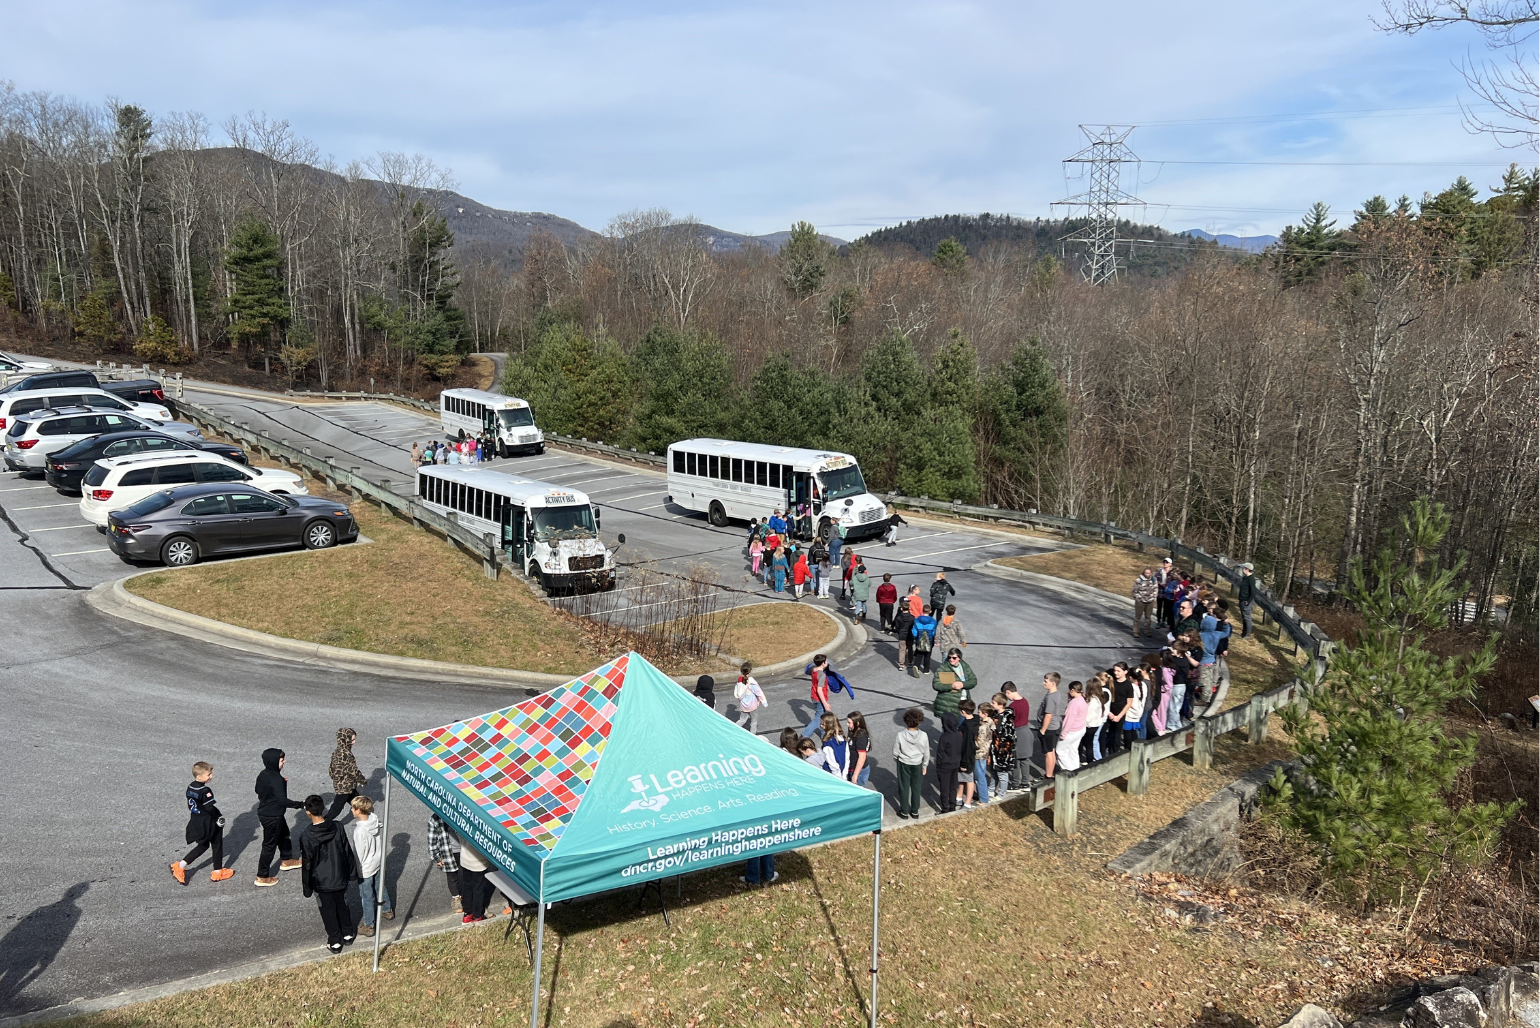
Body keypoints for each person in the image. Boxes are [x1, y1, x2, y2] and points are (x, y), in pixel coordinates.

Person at [299, 794, 361, 953]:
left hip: (321, 881)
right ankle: (347, 932)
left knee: (327, 910)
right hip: (339, 874)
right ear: (323, 808)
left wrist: (307, 887)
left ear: (308, 812)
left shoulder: (307, 836)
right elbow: (347, 850)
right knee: (342, 904)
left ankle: (335, 940)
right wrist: (352, 872)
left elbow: (307, 864)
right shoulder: (338, 826)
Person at [172, 761, 234, 885]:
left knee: (203, 845)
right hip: (209, 822)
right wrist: (219, 818)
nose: (211, 776)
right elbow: (210, 808)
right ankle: (217, 872)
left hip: (196, 820)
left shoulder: (191, 787)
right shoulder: (205, 790)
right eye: (208, 775)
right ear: (199, 777)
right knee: (217, 844)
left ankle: (180, 865)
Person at [254, 748, 305, 886]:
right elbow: (282, 801)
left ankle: (287, 860)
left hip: (267, 812)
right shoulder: (277, 779)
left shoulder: (263, 774)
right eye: (282, 760)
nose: (284, 762)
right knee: (269, 845)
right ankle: (262, 876)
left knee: (284, 835)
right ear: (274, 762)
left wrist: (281, 784)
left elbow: (257, 790)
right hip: (273, 815)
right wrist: (302, 804)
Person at [349, 795, 393, 937]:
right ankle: (387, 910)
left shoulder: (359, 831)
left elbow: (359, 854)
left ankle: (369, 925)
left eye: (353, 808)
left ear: (359, 810)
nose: (351, 810)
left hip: (366, 868)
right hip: (377, 861)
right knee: (381, 887)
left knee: (366, 896)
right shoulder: (374, 819)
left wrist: (356, 870)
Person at [892, 707, 929, 819]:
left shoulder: (900, 735)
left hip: (903, 762)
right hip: (917, 763)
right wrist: (925, 765)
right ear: (919, 721)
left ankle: (904, 811)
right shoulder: (923, 735)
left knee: (904, 787)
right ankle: (915, 811)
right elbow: (926, 751)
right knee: (916, 787)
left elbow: (895, 751)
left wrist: (897, 759)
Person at [326, 728, 367, 821]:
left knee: (359, 802)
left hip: (343, 784)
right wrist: (362, 780)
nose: (354, 742)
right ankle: (323, 825)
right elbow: (353, 771)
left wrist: (335, 778)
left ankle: (369, 818)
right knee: (335, 809)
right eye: (352, 740)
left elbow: (331, 768)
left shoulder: (337, 751)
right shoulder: (347, 754)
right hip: (345, 787)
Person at [426, 812, 463, 913]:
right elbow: (432, 839)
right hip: (448, 853)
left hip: (465, 849)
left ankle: (470, 898)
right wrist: (436, 857)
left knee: (468, 875)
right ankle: (456, 898)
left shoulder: (459, 813)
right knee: (452, 877)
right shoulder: (435, 818)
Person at [930, 646, 976, 716]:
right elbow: (936, 685)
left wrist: (963, 684)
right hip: (949, 704)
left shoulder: (965, 667)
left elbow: (973, 681)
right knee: (950, 726)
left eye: (954, 658)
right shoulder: (942, 668)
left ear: (959, 658)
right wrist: (951, 686)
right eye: (949, 657)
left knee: (963, 725)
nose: (951, 659)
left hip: (964, 702)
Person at [1055, 681, 1088, 773]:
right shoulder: (1083, 699)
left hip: (1071, 731)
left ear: (1072, 690)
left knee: (1060, 751)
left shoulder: (1073, 704)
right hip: (1080, 729)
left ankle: (1069, 771)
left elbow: (1068, 721)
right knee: (1073, 750)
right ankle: (1076, 768)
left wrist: (1063, 734)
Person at [988, 692, 1016, 799]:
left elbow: (1009, 735)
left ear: (1000, 704)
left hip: (1003, 751)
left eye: (993, 703)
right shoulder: (994, 715)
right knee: (993, 771)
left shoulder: (1007, 718)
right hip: (994, 749)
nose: (992, 704)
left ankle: (1001, 795)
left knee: (1002, 774)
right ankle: (991, 791)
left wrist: (996, 730)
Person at [935, 713, 964, 814]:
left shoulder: (944, 737)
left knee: (944, 787)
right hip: (956, 764)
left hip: (945, 766)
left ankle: (945, 807)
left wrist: (938, 767)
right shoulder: (958, 735)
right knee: (953, 786)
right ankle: (952, 805)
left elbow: (940, 753)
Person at [1003, 682, 1031, 789]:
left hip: (1017, 732)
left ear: (1008, 692)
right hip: (1026, 731)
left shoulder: (1013, 706)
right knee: (1024, 760)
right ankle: (1025, 782)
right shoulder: (1025, 701)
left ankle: (1015, 784)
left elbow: (1009, 722)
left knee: (1015, 760)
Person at [1038, 673, 1066, 779]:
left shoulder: (1050, 697)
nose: (1043, 683)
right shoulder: (1056, 694)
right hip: (1054, 726)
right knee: (1052, 750)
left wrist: (1043, 730)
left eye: (1046, 681)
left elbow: (1048, 715)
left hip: (1049, 728)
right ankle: (1051, 772)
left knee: (1048, 752)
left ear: (1053, 683)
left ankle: (1048, 775)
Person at [458, 842, 493, 923]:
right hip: (479, 862)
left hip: (465, 859)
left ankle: (467, 914)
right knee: (478, 890)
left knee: (467, 887)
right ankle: (477, 915)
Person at [955, 701, 979, 808]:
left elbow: (967, 746)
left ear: (963, 712)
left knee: (969, 779)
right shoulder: (975, 720)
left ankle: (968, 802)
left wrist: (964, 763)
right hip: (968, 756)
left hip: (967, 758)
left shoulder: (968, 728)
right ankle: (959, 796)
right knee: (962, 777)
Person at [804, 654, 833, 736]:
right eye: (826, 661)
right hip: (819, 699)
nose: (827, 662)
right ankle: (805, 735)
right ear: (823, 663)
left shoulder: (814, 670)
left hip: (813, 696)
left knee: (822, 717)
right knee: (818, 719)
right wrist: (825, 704)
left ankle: (824, 734)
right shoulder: (822, 675)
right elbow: (819, 690)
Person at [733, 663, 765, 735]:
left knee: (742, 719)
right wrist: (764, 701)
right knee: (754, 720)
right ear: (751, 671)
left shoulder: (739, 681)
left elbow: (737, 693)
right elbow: (758, 692)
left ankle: (733, 728)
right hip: (752, 705)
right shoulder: (751, 682)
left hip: (743, 706)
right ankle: (752, 734)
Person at [973, 703, 996, 804]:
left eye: (979, 712)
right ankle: (982, 796)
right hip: (986, 752)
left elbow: (979, 743)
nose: (978, 714)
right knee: (981, 773)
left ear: (985, 714)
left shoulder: (983, 727)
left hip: (979, 753)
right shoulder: (991, 722)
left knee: (979, 776)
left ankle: (983, 798)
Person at [1082, 678, 1108, 763]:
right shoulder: (1099, 698)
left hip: (1090, 726)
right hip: (1095, 724)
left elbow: (1089, 716)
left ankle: (1090, 762)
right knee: (1090, 744)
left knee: (1088, 744)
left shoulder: (1093, 701)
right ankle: (1090, 761)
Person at [1121, 668, 1149, 748]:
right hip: (1139, 712)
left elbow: (1129, 701)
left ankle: (1128, 749)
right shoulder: (1143, 685)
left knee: (1128, 734)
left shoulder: (1131, 687)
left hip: (1130, 713)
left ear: (1130, 677)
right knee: (1134, 733)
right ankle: (1135, 748)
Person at [846, 712, 871, 787]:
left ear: (857, 723)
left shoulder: (861, 737)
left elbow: (862, 757)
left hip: (859, 771)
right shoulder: (852, 731)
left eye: (849, 722)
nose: (847, 724)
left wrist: (855, 775)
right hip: (851, 767)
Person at [911, 605, 938, 675]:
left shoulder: (917, 620)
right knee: (927, 655)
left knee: (919, 653)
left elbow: (914, 631)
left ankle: (916, 666)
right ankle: (926, 670)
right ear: (930, 611)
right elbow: (934, 632)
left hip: (919, 639)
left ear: (922, 610)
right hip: (929, 639)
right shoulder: (933, 621)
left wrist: (915, 636)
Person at [1132, 568, 1159, 638]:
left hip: (1150, 601)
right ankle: (1135, 631)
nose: (1147, 574)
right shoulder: (1139, 580)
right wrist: (1137, 598)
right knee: (1138, 617)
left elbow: (1156, 588)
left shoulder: (1153, 580)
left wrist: (1154, 598)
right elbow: (1135, 590)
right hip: (1141, 601)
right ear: (1144, 573)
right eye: (1146, 573)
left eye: (1149, 573)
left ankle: (1147, 631)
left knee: (1148, 617)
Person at [893, 598, 916, 672]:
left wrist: (897, 631)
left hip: (902, 635)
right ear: (909, 608)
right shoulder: (912, 618)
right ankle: (910, 662)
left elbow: (897, 627)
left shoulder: (899, 618)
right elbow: (914, 626)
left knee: (902, 649)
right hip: (910, 635)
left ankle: (901, 664)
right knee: (910, 648)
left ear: (901, 608)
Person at [1237, 562, 1259, 637]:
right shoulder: (1245, 578)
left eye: (1243, 568)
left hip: (1246, 601)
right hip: (1242, 600)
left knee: (1247, 618)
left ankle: (1248, 634)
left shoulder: (1251, 579)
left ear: (1247, 569)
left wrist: (1248, 601)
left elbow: (1253, 592)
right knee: (1244, 617)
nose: (1242, 569)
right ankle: (1243, 633)